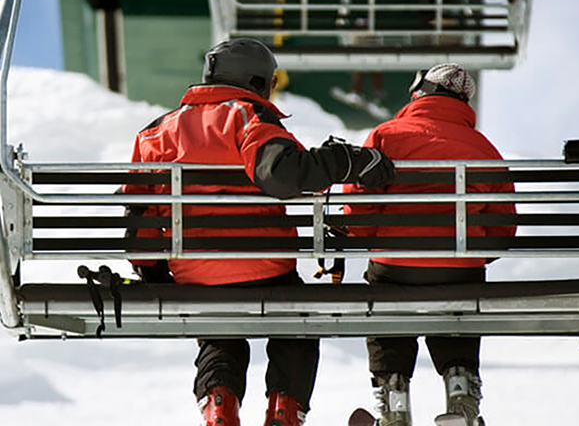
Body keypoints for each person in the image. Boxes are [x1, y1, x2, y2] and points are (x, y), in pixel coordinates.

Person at [122, 38, 395, 426]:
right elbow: (282, 174)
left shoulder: (157, 132)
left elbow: (140, 213)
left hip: (195, 275)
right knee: (296, 322)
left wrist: (152, 271)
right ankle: (283, 414)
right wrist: (345, 161)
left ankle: (220, 408)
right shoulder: (247, 116)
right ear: (257, 81)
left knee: (218, 333)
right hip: (266, 267)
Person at [343, 63, 516, 426]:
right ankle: (462, 394)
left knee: (386, 301)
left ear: (419, 93)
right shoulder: (484, 147)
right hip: (461, 270)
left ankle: (393, 401)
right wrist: (470, 253)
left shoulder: (386, 135)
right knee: (459, 298)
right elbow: (502, 227)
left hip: (395, 267)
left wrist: (381, 241)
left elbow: (357, 213)